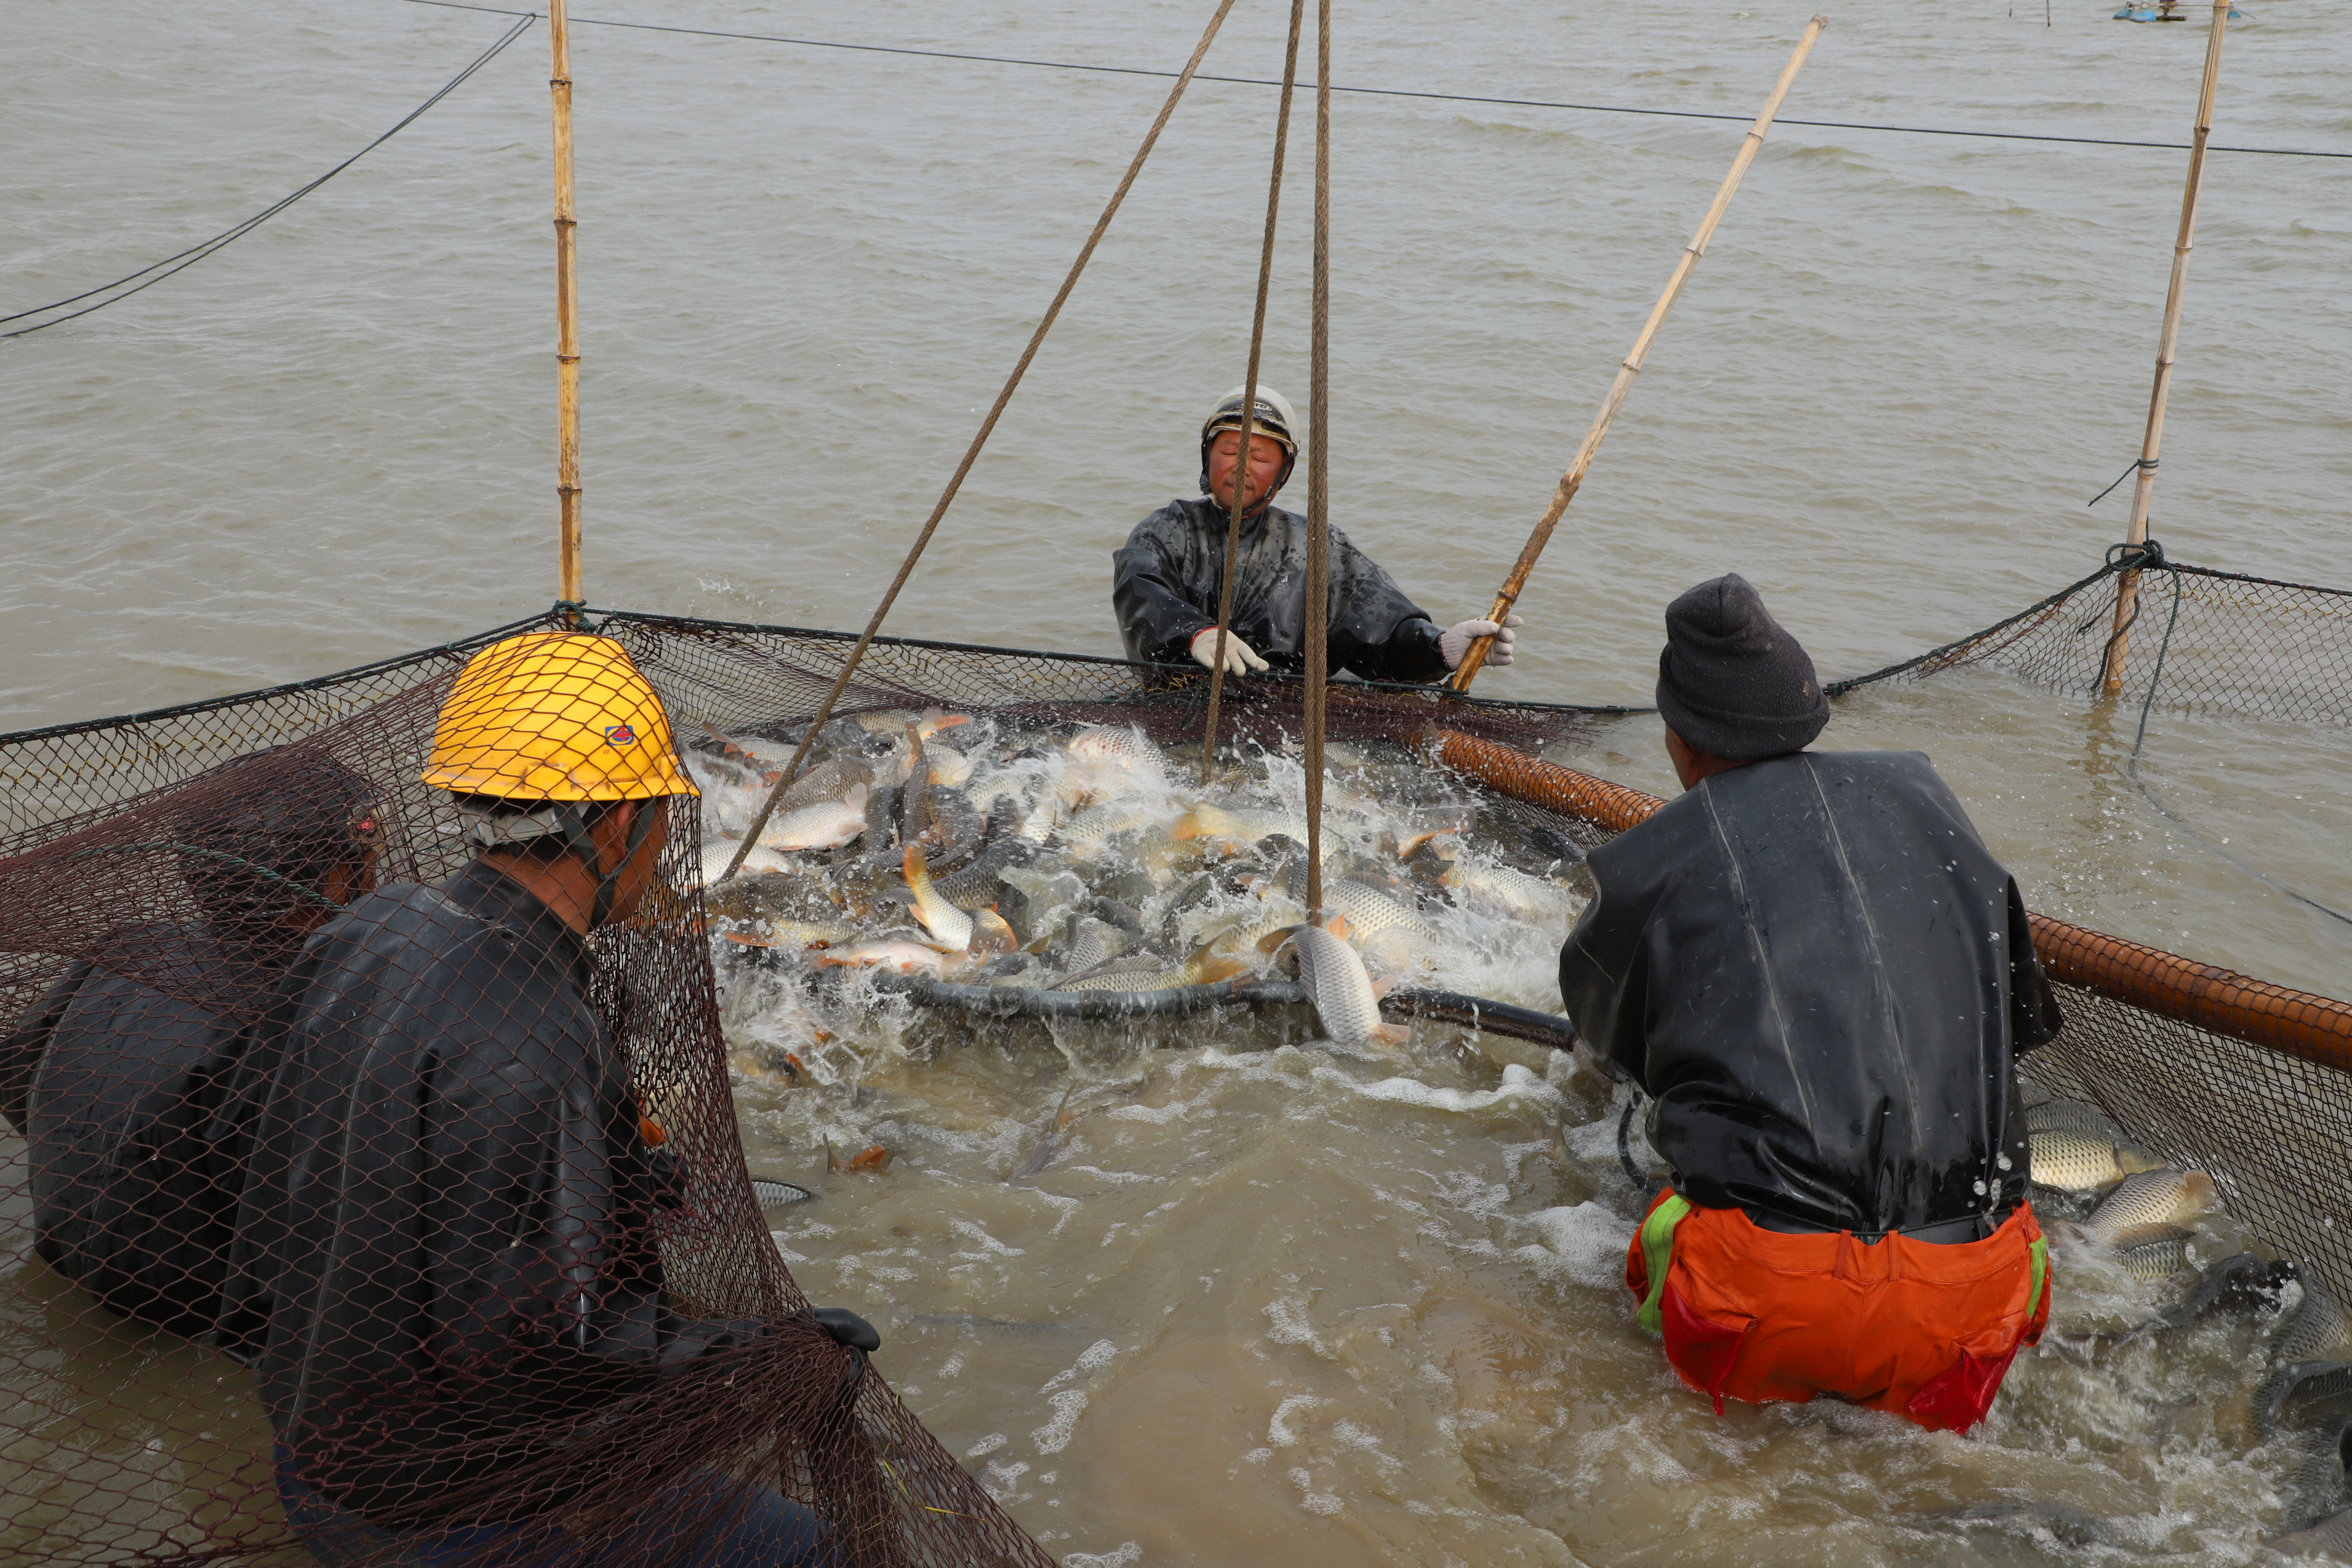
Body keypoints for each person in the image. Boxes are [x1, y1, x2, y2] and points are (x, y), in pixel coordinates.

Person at [219, 633, 857, 1565]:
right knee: (807, 1548)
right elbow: (564, 1350)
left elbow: (250, 1145)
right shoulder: (540, 1041)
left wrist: (617, 1178)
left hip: (310, 1451)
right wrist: (765, 1348)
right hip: (444, 1514)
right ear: (616, 827)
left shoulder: (368, 927)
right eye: (660, 816)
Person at [1558, 574, 2064, 1434]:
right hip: (1981, 1292)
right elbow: (2020, 1022)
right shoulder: (1929, 799)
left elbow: (1615, 1059)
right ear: (1808, 710)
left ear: (1678, 738)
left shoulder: (1643, 866)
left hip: (1768, 1300)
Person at [8, 748, 379, 1339]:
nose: (376, 863)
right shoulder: (321, 1015)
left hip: (63, 1249)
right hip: (211, 1318)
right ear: (332, 879)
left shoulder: (131, 947)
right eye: (365, 850)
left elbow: (16, 1077)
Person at [1111, 386, 1524, 683]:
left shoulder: (1318, 548)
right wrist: (1198, 633)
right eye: (1230, 451)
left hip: (1285, 724)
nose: (1242, 466)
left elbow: (1381, 630)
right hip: (1172, 703)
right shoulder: (1166, 530)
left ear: (1283, 471)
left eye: (1258, 456)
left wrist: (1444, 649)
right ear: (1207, 457)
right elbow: (1139, 591)